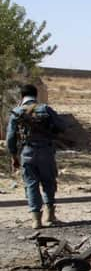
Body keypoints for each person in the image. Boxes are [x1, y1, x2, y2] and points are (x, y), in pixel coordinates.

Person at [6, 84, 65, 229]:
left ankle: (36, 220)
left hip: (27, 152)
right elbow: (62, 126)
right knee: (48, 182)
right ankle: (50, 216)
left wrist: (14, 156)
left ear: (22, 96)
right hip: (46, 151)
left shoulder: (16, 112)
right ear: (36, 95)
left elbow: (10, 138)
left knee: (31, 184)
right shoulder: (45, 109)